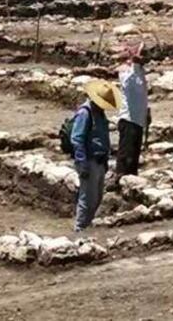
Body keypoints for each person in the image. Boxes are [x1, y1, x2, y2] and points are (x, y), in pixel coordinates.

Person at [71, 79, 121, 231]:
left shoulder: (99, 113)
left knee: (97, 198)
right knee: (87, 199)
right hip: (89, 161)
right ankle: (79, 230)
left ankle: (87, 228)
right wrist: (82, 162)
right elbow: (77, 138)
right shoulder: (85, 113)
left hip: (100, 160)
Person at [114, 42, 148, 182]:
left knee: (133, 156)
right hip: (129, 119)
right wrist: (134, 64)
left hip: (138, 120)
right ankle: (120, 182)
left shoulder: (139, 71)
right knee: (126, 156)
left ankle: (131, 183)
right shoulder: (126, 73)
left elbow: (142, 95)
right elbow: (130, 86)